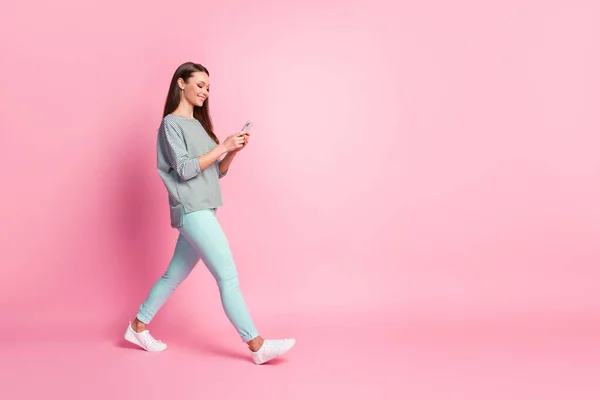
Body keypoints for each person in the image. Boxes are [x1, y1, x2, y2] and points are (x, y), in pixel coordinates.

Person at [123, 61, 295, 365]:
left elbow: (216, 173)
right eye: (200, 85)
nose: (204, 92)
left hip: (205, 208)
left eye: (208, 87)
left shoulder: (200, 125)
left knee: (172, 276)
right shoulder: (170, 125)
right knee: (227, 276)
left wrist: (232, 151)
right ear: (181, 83)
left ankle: (138, 326)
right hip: (192, 209)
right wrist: (222, 145)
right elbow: (186, 170)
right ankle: (256, 345)